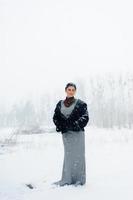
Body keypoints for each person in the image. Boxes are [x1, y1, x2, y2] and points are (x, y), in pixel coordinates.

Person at [52, 82, 89, 186]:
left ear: (75, 91)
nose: (71, 91)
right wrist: (61, 126)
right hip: (66, 135)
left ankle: (79, 180)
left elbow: (85, 117)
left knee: (79, 156)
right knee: (68, 157)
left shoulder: (81, 104)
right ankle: (67, 179)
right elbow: (55, 118)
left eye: (73, 90)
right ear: (66, 90)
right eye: (69, 89)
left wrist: (74, 125)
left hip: (78, 134)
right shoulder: (60, 104)